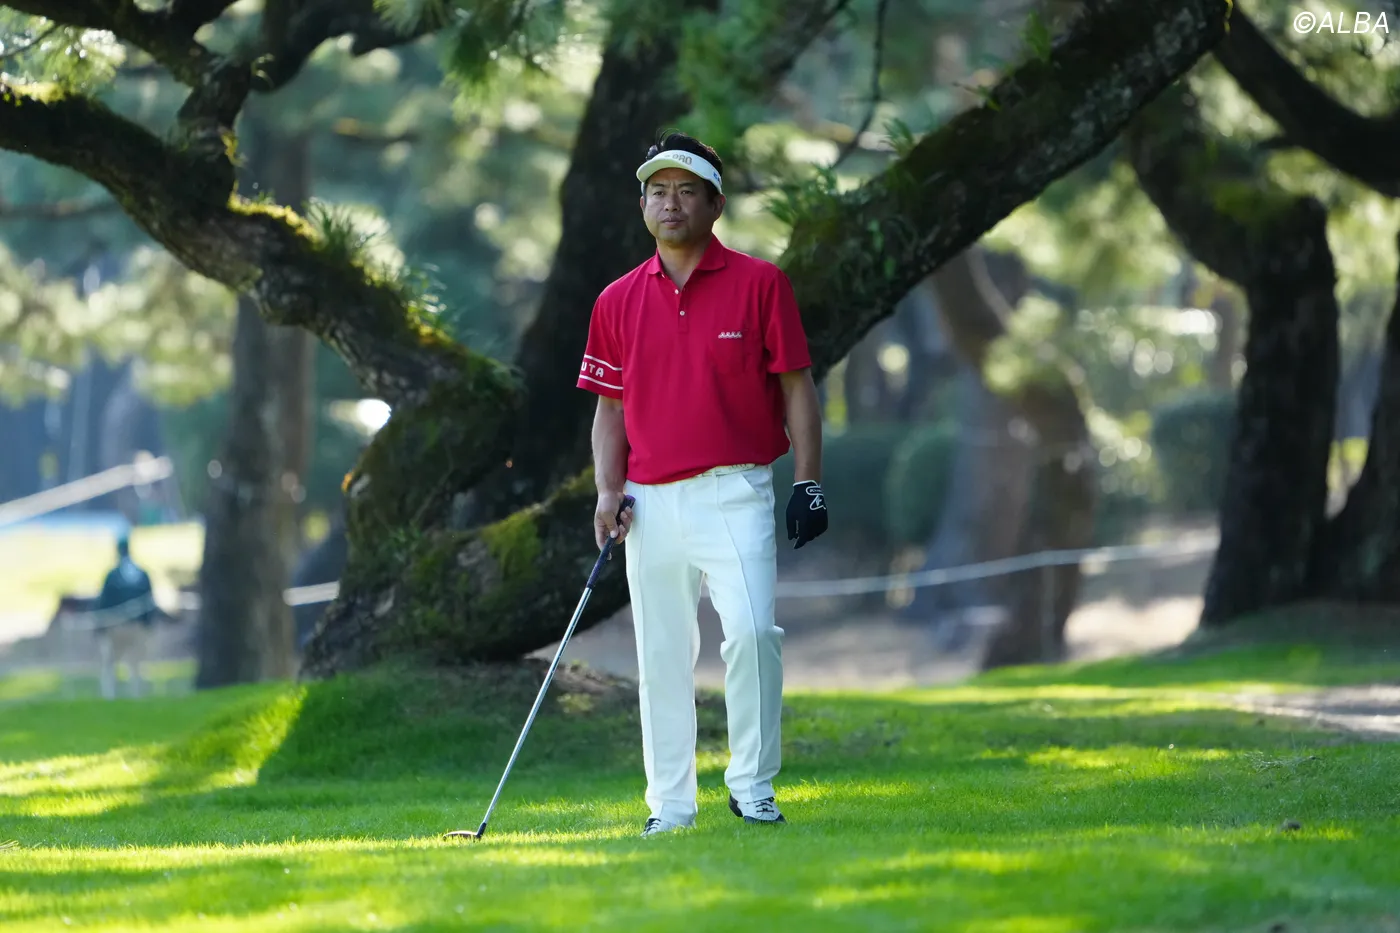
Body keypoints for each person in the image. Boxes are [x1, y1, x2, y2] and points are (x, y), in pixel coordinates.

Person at [576, 130, 828, 838]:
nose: (671, 204)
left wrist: (808, 484)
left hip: (735, 491)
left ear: (715, 204)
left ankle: (752, 786)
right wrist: (607, 491)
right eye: (658, 191)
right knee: (661, 657)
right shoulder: (616, 300)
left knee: (753, 633)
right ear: (642, 206)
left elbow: (797, 388)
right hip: (648, 502)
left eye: (687, 191)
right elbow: (610, 409)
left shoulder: (760, 284)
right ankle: (671, 805)